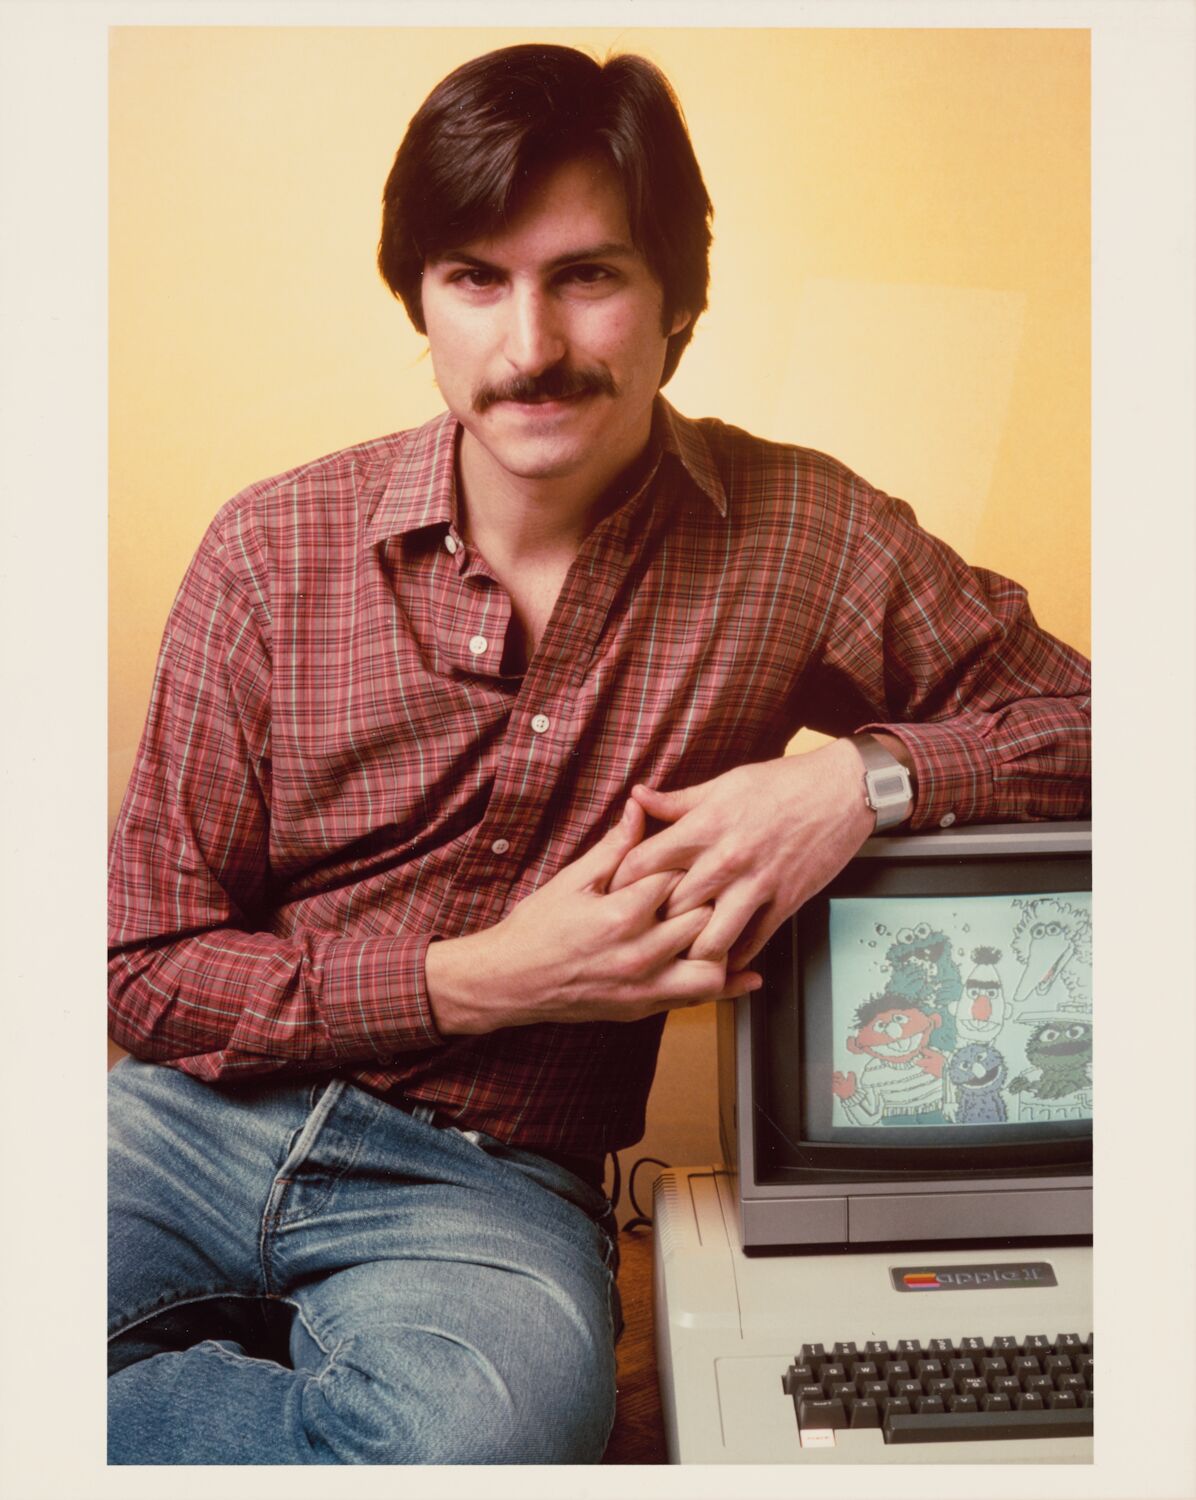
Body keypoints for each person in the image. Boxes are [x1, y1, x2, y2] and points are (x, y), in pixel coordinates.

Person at [107, 43, 1091, 1465]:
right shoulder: (269, 550)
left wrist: (851, 780)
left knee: (478, 1449)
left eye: (586, 275)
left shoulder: (805, 536)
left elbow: (1103, 727)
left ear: (677, 303)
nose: (529, 348)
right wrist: (485, 978)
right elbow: (142, 968)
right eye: (475, 278)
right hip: (188, 1125)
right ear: (421, 304)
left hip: (490, 1185)